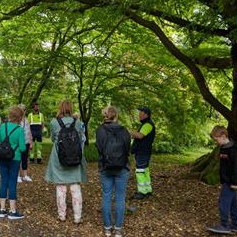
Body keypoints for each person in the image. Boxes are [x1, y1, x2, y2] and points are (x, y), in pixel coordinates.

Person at [45, 100, 87, 224]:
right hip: (75, 156)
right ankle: (77, 217)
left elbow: (53, 139)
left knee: (60, 186)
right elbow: (80, 138)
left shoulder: (54, 122)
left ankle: (62, 215)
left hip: (59, 157)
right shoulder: (77, 122)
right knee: (75, 186)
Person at [95, 106, 131, 237]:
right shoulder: (124, 130)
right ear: (116, 116)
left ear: (104, 115)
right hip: (122, 167)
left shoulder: (100, 130)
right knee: (120, 198)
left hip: (105, 167)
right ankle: (118, 229)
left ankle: (107, 228)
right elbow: (128, 149)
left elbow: (99, 148)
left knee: (106, 197)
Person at [207, 126, 237, 234]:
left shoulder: (234, 150)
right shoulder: (223, 147)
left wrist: (235, 182)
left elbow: (236, 168)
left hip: (231, 182)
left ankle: (224, 225)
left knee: (223, 201)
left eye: (216, 139)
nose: (216, 142)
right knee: (233, 203)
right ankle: (235, 225)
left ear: (223, 136)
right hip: (226, 180)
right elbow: (224, 166)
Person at [0, 106, 27, 219]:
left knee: (4, 181)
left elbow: (0, 141)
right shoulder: (19, 130)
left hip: (3, 157)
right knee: (12, 182)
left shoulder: (2, 126)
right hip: (15, 158)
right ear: (19, 117)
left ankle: (2, 210)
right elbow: (23, 148)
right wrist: (16, 148)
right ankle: (13, 211)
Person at [129, 107, 156, 200]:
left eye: (140, 112)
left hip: (142, 152)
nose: (139, 114)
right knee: (145, 171)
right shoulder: (146, 124)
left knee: (140, 171)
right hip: (144, 152)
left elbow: (140, 136)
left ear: (145, 114)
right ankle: (147, 190)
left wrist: (128, 131)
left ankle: (141, 192)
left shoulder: (148, 124)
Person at [17, 104, 33, 182]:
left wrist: (31, 142)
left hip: (26, 141)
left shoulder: (26, 119)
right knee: (18, 158)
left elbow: (29, 131)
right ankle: (18, 176)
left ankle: (25, 175)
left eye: (24, 109)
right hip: (19, 142)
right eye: (21, 109)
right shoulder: (16, 119)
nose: (23, 111)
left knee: (25, 158)